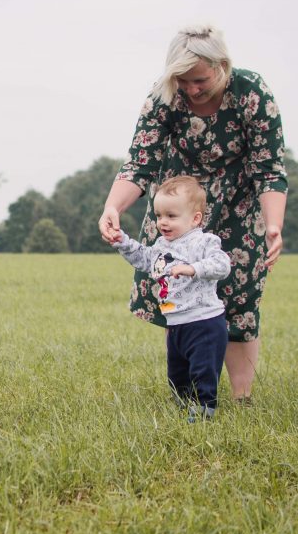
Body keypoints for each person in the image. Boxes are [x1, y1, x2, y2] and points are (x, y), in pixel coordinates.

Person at [98, 25, 287, 405]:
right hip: (178, 203)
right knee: (181, 295)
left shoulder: (251, 92)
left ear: (222, 66)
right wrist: (112, 207)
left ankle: (241, 398)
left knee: (239, 302)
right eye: (183, 81)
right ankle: (187, 395)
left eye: (199, 80)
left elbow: (269, 168)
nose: (192, 89)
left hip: (238, 205)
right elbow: (140, 162)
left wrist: (273, 225)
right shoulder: (164, 94)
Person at [106, 176, 232, 420]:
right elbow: (144, 258)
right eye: (159, 215)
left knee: (203, 369)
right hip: (175, 323)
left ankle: (205, 409)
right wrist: (122, 241)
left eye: (171, 216)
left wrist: (193, 269)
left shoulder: (203, 241)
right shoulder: (162, 244)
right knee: (177, 372)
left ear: (195, 218)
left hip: (204, 321)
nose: (162, 221)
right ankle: (183, 405)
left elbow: (222, 264)